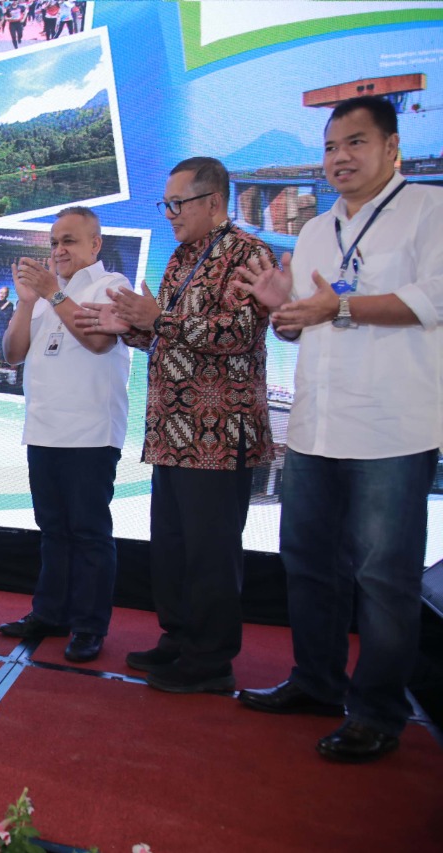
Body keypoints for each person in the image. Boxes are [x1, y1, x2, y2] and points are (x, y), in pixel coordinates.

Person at [232, 96, 443, 763]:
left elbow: (431, 302)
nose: (339, 158)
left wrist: (337, 305)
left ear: (391, 148)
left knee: (384, 578)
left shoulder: (430, 212)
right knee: (309, 565)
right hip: (318, 427)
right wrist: (282, 312)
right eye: (329, 147)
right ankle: (316, 681)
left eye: (355, 142)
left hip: (393, 428)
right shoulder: (320, 229)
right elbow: (304, 320)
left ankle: (378, 711)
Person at [73, 157, 275, 693]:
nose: (168, 214)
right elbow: (169, 337)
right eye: (165, 204)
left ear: (214, 202)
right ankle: (179, 637)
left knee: (211, 552)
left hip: (219, 430)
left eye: (177, 204)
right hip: (172, 430)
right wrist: (130, 328)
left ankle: (210, 661)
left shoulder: (250, 255)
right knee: (172, 547)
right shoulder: (182, 257)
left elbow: (236, 332)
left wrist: (153, 319)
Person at [0, 208, 130, 662]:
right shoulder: (47, 296)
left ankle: (90, 626)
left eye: (69, 241)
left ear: (96, 244)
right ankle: (49, 613)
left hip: (90, 433)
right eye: (54, 242)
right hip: (44, 430)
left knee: (89, 532)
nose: (58, 251)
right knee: (53, 530)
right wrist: (27, 301)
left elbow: (98, 342)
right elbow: (12, 355)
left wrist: (52, 294)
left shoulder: (114, 285)